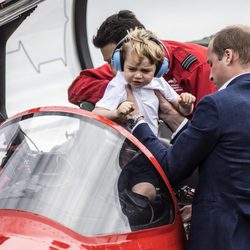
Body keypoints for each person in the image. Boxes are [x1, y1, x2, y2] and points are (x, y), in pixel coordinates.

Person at [126, 24, 250, 249]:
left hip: (223, 237)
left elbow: (171, 167)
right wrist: (174, 118)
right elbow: (226, 145)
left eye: (211, 63)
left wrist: (137, 122)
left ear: (229, 56)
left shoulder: (217, 104)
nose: (210, 75)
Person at [93, 28, 196, 201]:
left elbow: (180, 107)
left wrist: (186, 104)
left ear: (158, 70)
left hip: (147, 153)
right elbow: (96, 113)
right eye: (131, 69)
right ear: (120, 65)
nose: (138, 76)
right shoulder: (118, 84)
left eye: (146, 71)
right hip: (122, 155)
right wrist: (117, 113)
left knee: (147, 191)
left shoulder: (158, 82)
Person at [68, 10, 216, 112]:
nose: (113, 70)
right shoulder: (125, 69)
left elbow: (209, 125)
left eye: (114, 61)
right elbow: (77, 87)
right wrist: (120, 91)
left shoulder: (199, 65)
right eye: (111, 62)